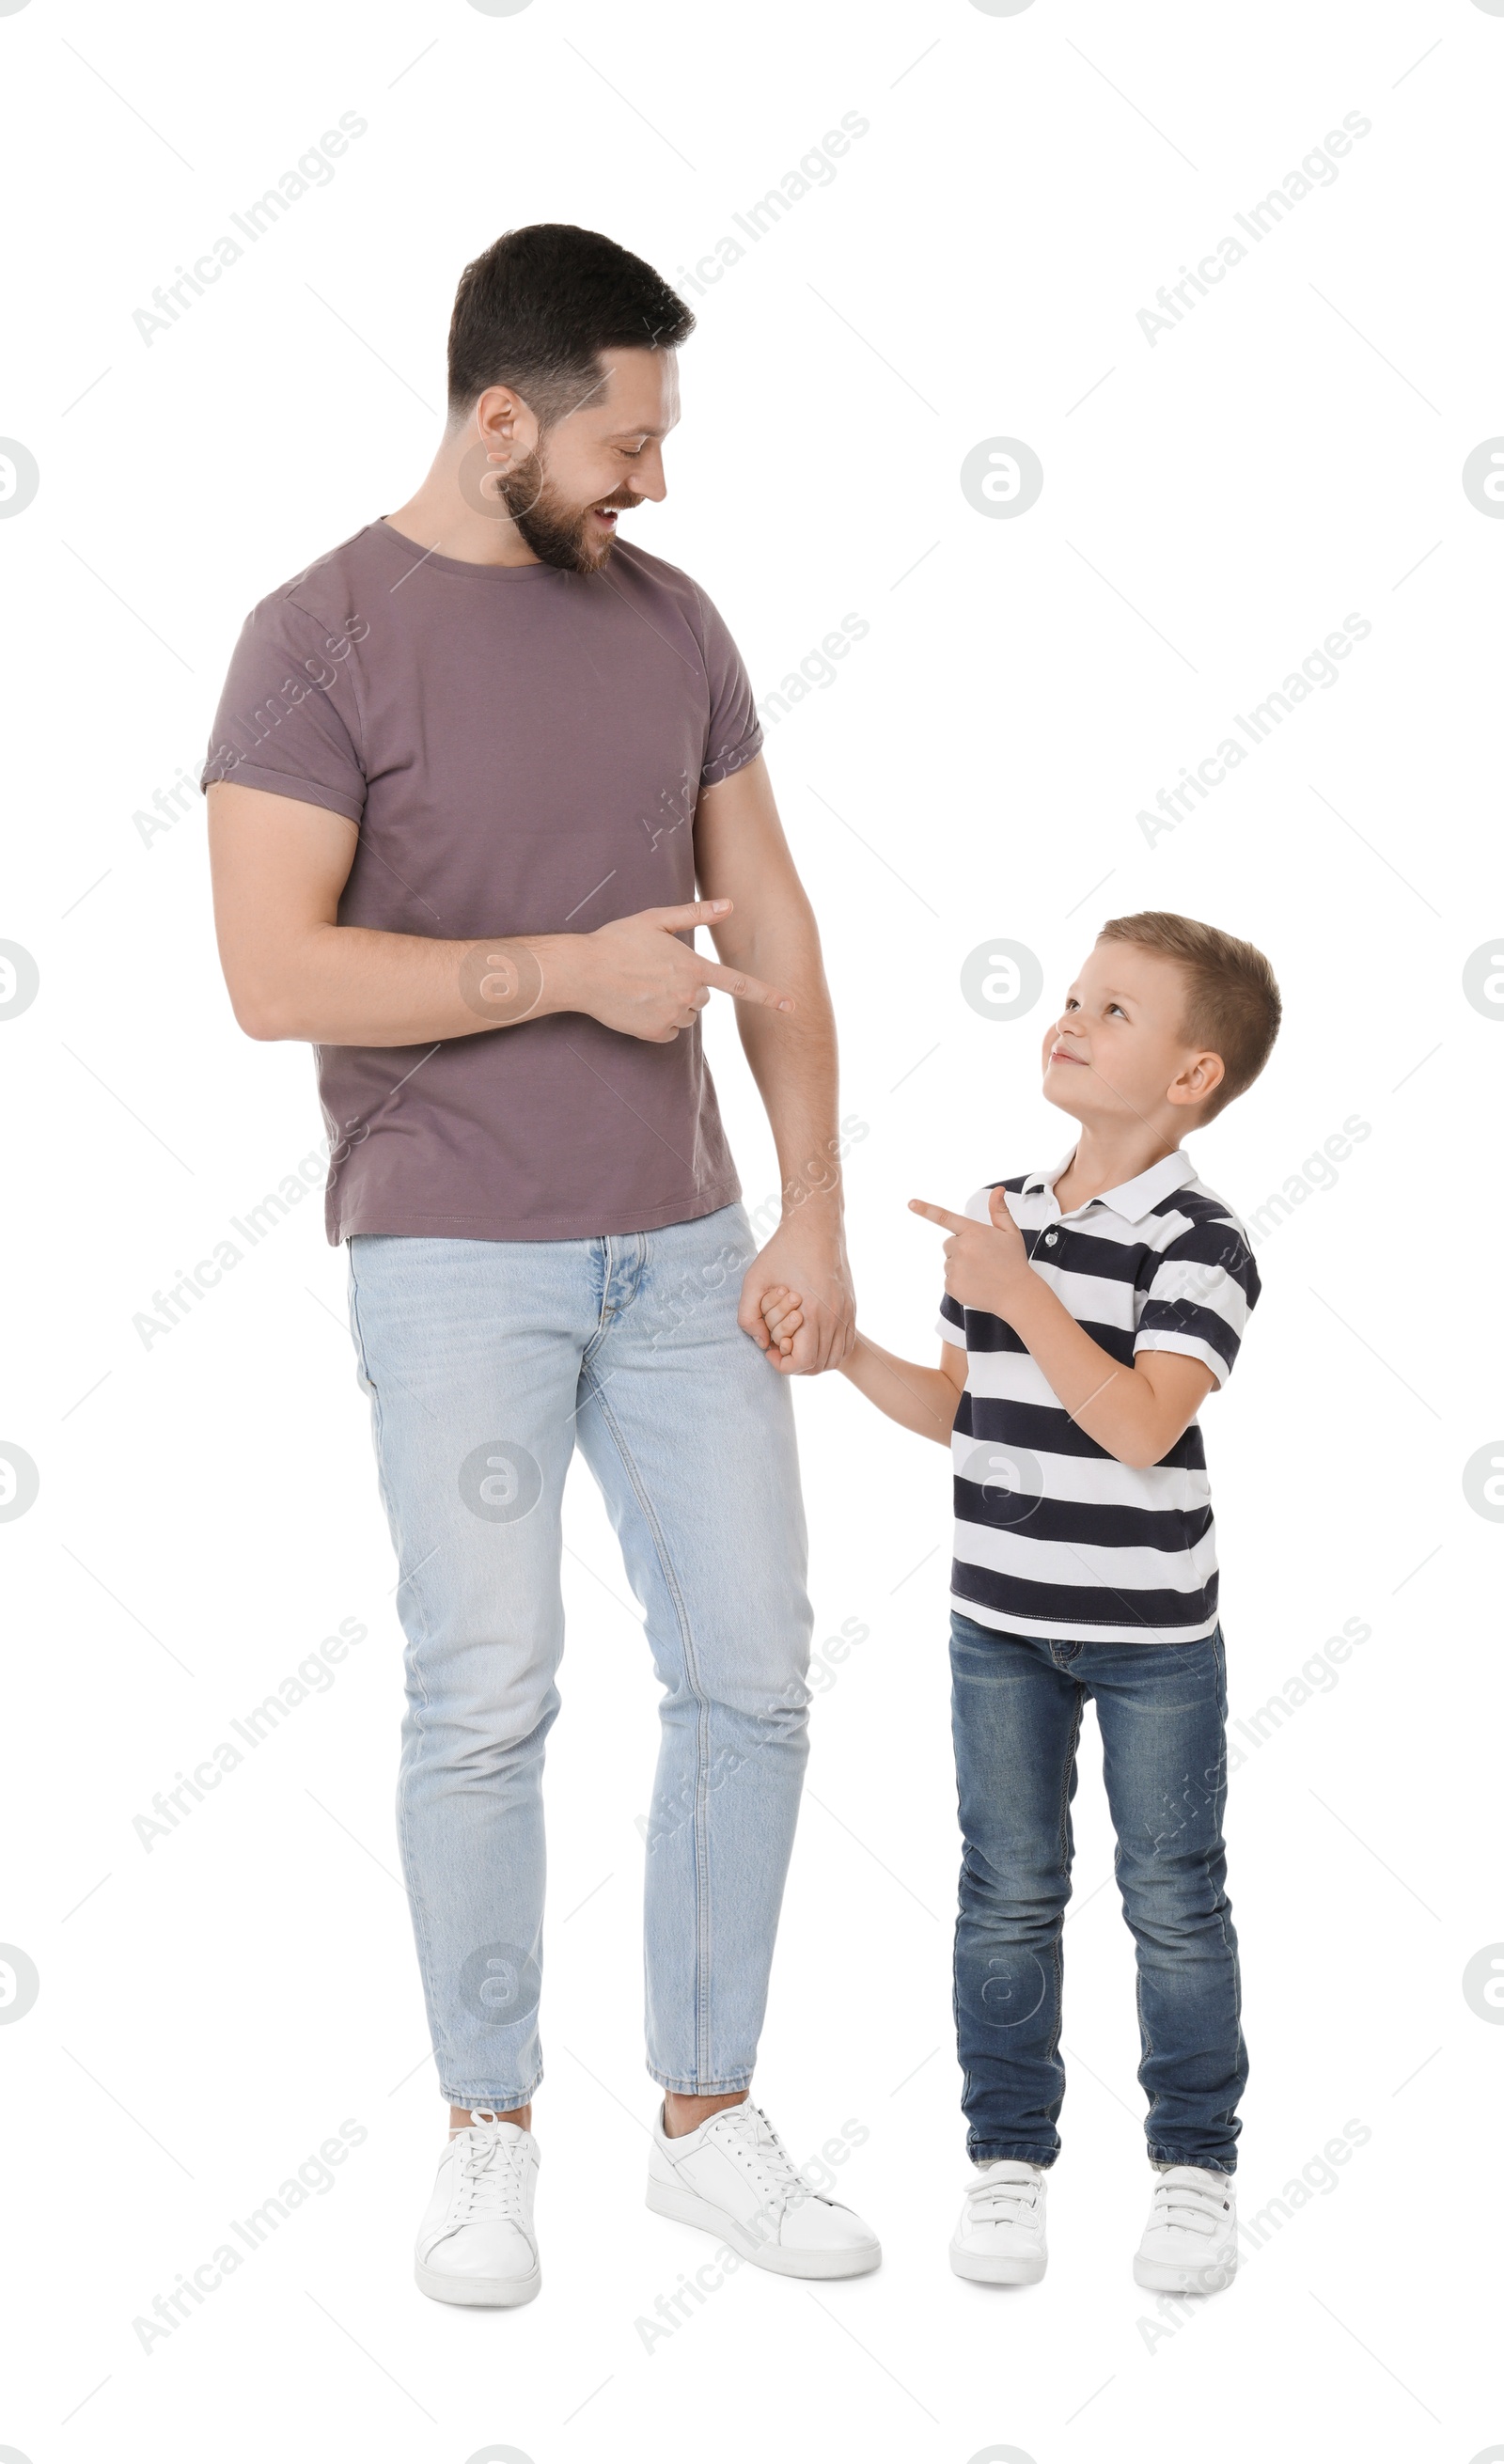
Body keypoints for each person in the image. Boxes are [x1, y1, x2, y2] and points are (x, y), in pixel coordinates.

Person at [202, 223, 880, 2305]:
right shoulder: (313, 639)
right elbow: (269, 973)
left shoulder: (671, 624)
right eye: (623, 441)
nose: (652, 481)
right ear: (499, 419)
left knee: (752, 1678)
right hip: (449, 1262)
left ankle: (702, 2121)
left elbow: (768, 925)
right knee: (484, 1702)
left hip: (684, 1257)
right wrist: (568, 977)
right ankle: (485, 2134)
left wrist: (813, 1204)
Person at [762, 911, 1279, 2293]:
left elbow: (1138, 1427)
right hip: (999, 1622)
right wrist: (847, 1351)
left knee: (1172, 1896)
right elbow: (961, 1408)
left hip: (1154, 1642)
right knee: (1007, 1890)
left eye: (1117, 1010)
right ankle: (1008, 2157)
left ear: (1192, 1077)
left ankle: (1193, 2167)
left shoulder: (1201, 1240)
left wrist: (1020, 1290)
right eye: (1072, 996)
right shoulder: (1004, 1214)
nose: (1071, 1018)